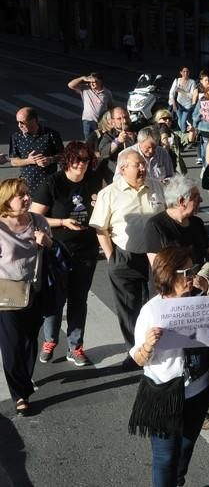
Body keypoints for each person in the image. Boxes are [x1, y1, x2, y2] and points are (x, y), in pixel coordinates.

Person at [128, 246, 209, 487]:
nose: (191, 276)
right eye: (186, 272)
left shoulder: (201, 303)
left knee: (186, 447)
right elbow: (137, 359)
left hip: (198, 390)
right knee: (165, 457)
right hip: (164, 392)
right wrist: (147, 345)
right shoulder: (151, 310)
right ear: (168, 275)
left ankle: (178, 481)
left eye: (192, 270)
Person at [30, 141, 102, 367]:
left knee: (79, 299)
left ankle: (75, 345)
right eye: (77, 159)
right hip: (58, 250)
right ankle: (50, 340)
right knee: (55, 298)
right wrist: (62, 222)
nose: (82, 164)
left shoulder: (95, 181)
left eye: (86, 160)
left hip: (87, 250)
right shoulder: (53, 183)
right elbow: (34, 217)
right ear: (68, 160)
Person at [89, 150, 165, 355]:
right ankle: (134, 351)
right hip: (124, 255)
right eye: (137, 165)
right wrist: (111, 257)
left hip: (155, 256)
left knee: (156, 303)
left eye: (143, 164)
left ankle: (157, 348)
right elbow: (100, 229)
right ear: (122, 169)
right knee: (129, 307)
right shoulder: (109, 193)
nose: (143, 168)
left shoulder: (156, 187)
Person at [0, 178, 53, 416]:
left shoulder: (39, 221)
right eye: (20, 195)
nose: (26, 198)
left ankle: (24, 378)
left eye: (27, 194)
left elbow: (52, 247)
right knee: (11, 345)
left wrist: (46, 241)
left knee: (30, 340)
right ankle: (20, 394)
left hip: (36, 289)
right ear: (6, 200)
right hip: (7, 294)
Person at [10, 107, 64, 194]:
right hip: (27, 185)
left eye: (22, 122)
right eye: (17, 122)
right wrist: (28, 161)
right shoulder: (16, 137)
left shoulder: (51, 134)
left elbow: (63, 155)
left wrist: (50, 160)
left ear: (33, 120)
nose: (19, 125)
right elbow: (13, 161)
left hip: (48, 184)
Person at [68, 73, 114, 141]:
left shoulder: (107, 93)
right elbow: (70, 85)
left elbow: (110, 106)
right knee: (88, 141)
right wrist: (82, 78)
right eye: (90, 82)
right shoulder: (85, 88)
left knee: (101, 140)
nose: (92, 84)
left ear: (100, 81)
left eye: (94, 82)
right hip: (88, 120)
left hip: (101, 121)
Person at [168, 67, 196, 133]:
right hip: (178, 104)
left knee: (183, 121)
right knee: (180, 120)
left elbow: (192, 95)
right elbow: (171, 93)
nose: (186, 73)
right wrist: (174, 103)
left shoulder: (192, 82)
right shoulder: (177, 80)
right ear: (181, 72)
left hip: (187, 106)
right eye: (184, 71)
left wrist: (181, 91)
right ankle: (183, 134)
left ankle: (183, 133)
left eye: (187, 71)